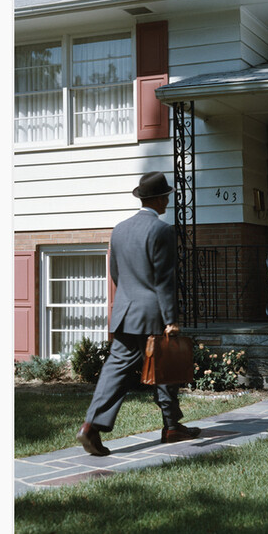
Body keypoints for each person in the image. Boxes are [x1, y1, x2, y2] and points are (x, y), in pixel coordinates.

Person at [76, 171, 200, 456]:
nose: (168, 200)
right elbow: (164, 279)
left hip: (125, 309)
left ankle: (95, 426)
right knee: (164, 363)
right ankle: (166, 427)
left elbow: (115, 273)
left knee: (118, 369)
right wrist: (171, 319)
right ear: (158, 199)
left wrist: (129, 301)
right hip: (152, 311)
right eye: (166, 195)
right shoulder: (162, 230)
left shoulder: (119, 229)